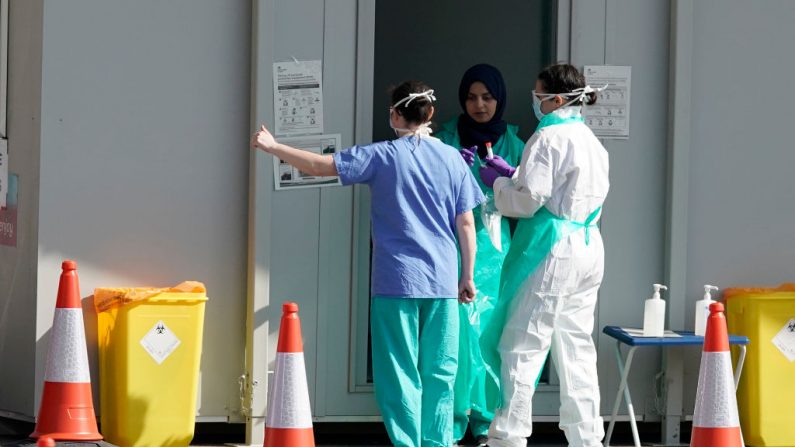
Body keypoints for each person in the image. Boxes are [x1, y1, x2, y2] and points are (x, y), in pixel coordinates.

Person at [252, 80, 485, 447]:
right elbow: (467, 222)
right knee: (441, 371)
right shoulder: (453, 159)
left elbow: (320, 166)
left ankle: (407, 443)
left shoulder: (382, 156)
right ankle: (437, 443)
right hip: (442, 282)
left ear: (395, 114)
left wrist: (274, 146)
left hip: (396, 281)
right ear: (431, 114)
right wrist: (467, 275)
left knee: (399, 372)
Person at [478, 64, 610, 447]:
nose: (534, 102)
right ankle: (587, 438)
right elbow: (560, 188)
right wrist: (516, 173)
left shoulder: (548, 137)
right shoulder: (591, 140)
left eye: (538, 95)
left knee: (522, 343)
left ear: (554, 99)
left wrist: (501, 182)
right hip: (588, 245)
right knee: (576, 347)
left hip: (552, 250)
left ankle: (508, 437)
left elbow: (528, 201)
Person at [435, 63, 525, 446]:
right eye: (471, 97)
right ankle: (451, 421)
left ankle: (487, 420)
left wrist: (508, 177)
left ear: (499, 98)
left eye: (487, 97)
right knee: (452, 335)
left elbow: (534, 194)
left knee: (490, 333)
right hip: (451, 246)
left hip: (497, 252)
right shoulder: (445, 139)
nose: (479, 105)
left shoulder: (514, 143)